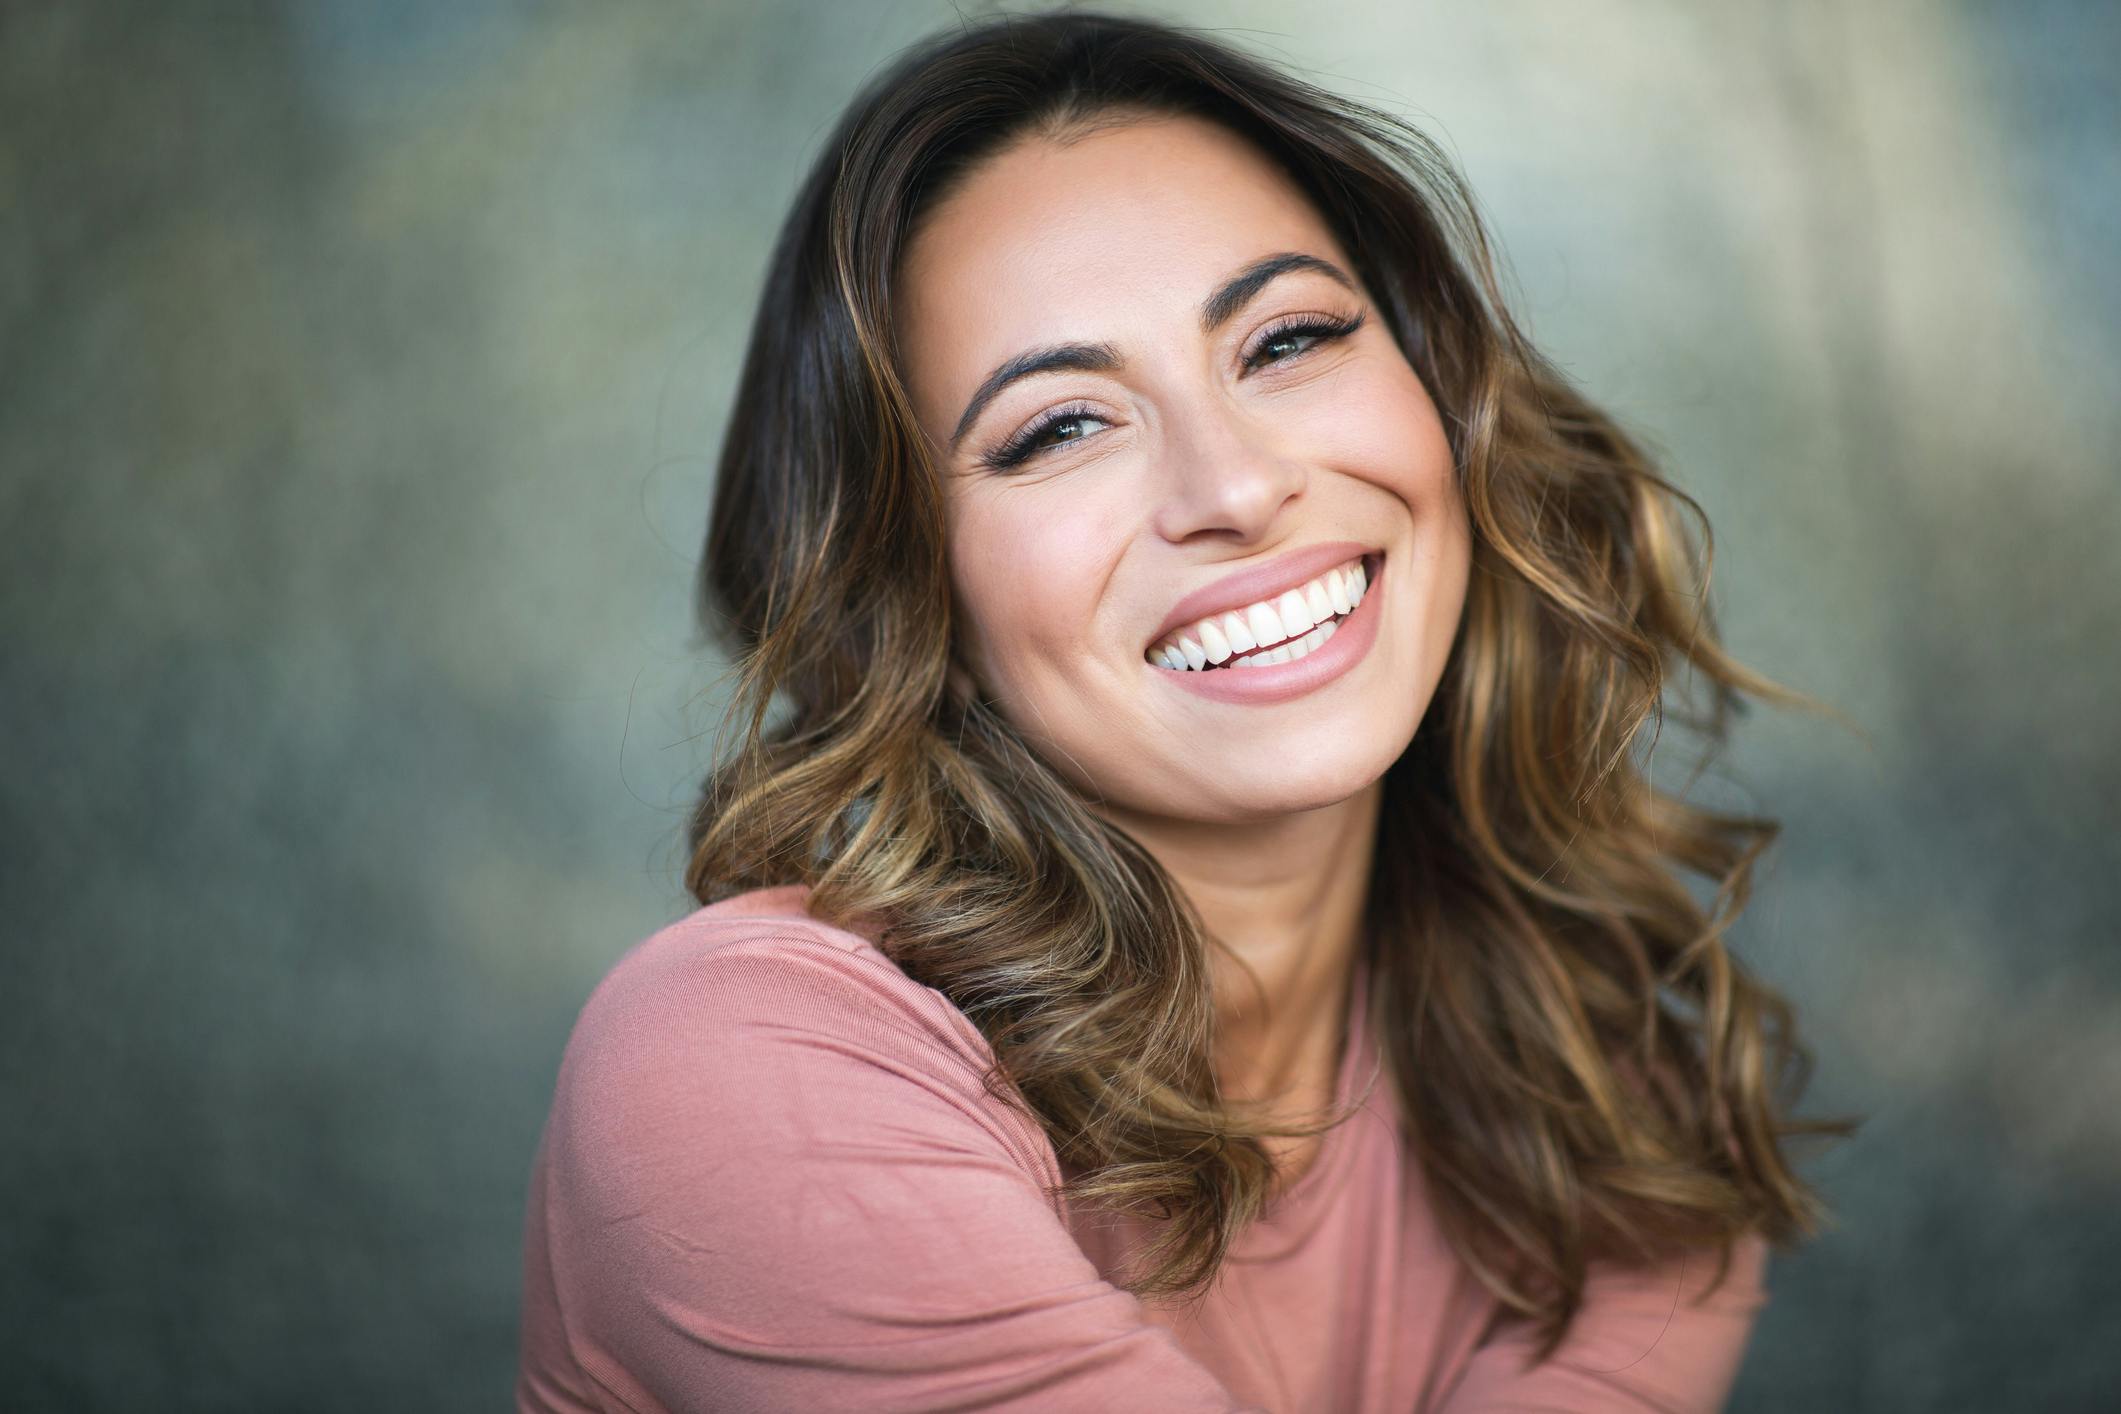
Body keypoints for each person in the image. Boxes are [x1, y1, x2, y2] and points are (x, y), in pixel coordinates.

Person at [517, 11, 1850, 1411]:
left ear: (1443, 401)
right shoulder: (741, 1068)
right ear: (911, 603)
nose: (1232, 486)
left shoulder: (1619, 1101)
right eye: (1058, 426)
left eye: (1285, 339)